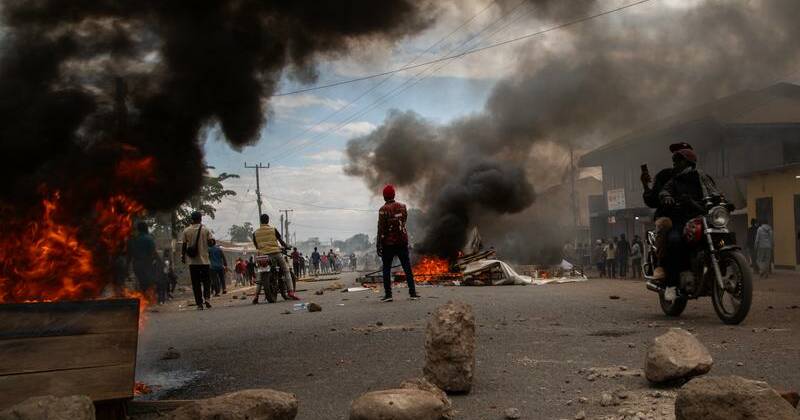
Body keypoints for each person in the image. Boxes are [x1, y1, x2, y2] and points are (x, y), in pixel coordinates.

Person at [658, 147, 721, 294]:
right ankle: (671, 285)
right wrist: (666, 196)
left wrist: (725, 202)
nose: (675, 164)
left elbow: (716, 192)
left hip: (704, 217)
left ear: (688, 162)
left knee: (722, 237)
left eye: (678, 161)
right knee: (674, 240)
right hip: (682, 220)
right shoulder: (675, 181)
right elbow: (664, 190)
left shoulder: (704, 178)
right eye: (674, 161)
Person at [641, 142, 694, 281]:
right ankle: (668, 276)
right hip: (671, 217)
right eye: (676, 155)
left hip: (695, 218)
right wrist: (645, 185)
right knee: (674, 239)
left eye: (683, 154)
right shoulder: (666, 176)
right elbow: (653, 200)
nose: (678, 159)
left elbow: (713, 192)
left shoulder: (700, 177)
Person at [377, 184, 419, 302]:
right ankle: (413, 293)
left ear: (384, 197)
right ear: (394, 195)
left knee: (386, 268)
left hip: (388, 244)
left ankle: (388, 295)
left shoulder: (382, 210)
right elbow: (403, 221)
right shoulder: (403, 207)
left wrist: (378, 244)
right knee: (407, 267)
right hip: (401, 241)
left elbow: (381, 228)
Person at [252, 213, 299, 303]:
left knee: (261, 274)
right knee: (286, 270)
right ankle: (291, 292)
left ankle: (256, 296)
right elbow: (281, 242)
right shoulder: (273, 230)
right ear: (268, 220)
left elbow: (256, 245)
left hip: (263, 255)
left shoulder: (255, 233)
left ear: (260, 221)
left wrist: (263, 248)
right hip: (275, 253)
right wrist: (286, 246)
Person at [181, 211, 213, 310]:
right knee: (207, 281)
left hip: (193, 262)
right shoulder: (206, 230)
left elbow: (184, 245)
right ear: (200, 218)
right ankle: (207, 298)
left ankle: (199, 304)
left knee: (196, 283)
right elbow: (211, 243)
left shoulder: (186, 231)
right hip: (204, 261)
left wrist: (183, 257)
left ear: (192, 219)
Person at [127, 221, 157, 294]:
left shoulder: (134, 239)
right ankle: (148, 298)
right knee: (149, 282)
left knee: (141, 281)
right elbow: (152, 252)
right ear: (146, 228)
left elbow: (130, 253)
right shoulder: (149, 239)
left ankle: (143, 297)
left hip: (136, 264)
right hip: (146, 263)